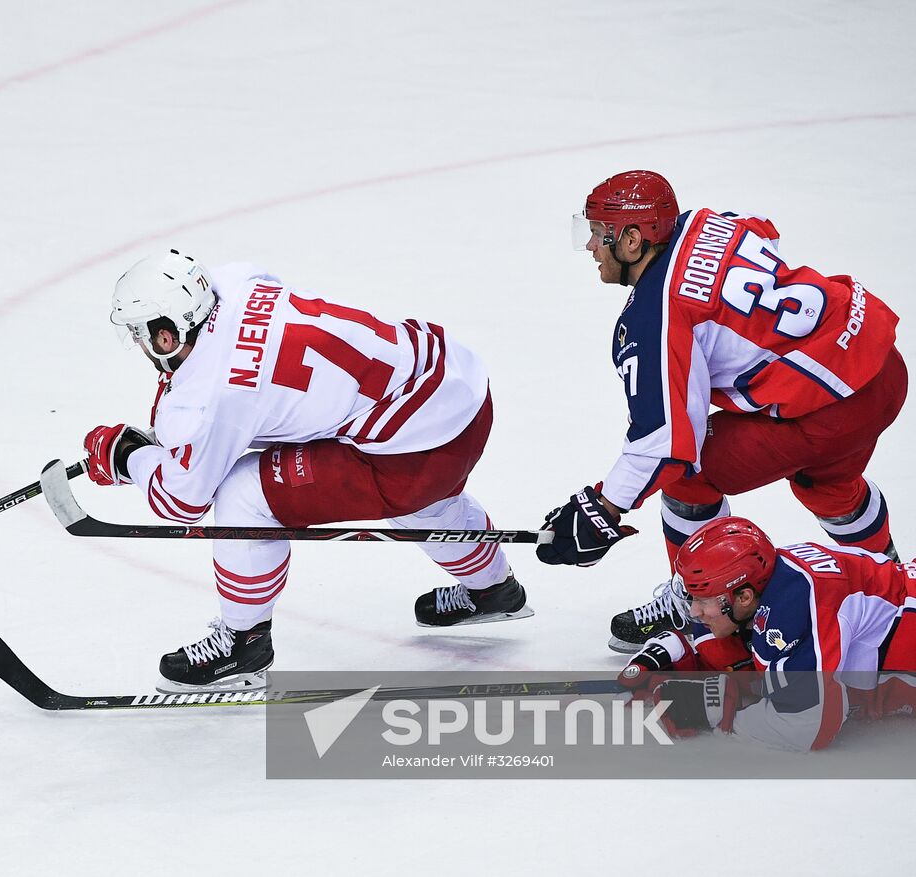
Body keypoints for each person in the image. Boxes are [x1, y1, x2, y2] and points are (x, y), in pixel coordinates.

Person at [82, 249, 530, 692]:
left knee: (244, 495)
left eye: (140, 333)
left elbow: (181, 500)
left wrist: (127, 458)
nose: (138, 344)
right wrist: (182, 434)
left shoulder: (209, 401)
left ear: (166, 337)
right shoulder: (238, 281)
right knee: (424, 501)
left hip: (417, 454)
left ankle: (243, 644)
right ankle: (494, 589)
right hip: (457, 384)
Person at [535, 170, 905, 653]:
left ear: (631, 240)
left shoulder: (655, 317)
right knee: (828, 482)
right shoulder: (708, 222)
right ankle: (896, 587)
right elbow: (763, 232)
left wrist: (602, 509)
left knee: (688, 475)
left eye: (598, 233)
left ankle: (699, 609)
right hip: (880, 365)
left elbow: (665, 443)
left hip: (828, 409)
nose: (589, 246)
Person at [616, 516, 916, 750]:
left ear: (744, 597)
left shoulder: (793, 610)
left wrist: (722, 713)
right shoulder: (778, 577)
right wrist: (688, 657)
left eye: (703, 601)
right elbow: (764, 649)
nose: (694, 613)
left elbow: (809, 726)